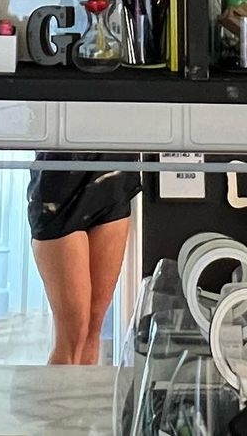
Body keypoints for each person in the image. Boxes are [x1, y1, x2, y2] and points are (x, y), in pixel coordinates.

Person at [29, 154, 141, 365]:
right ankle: (59, 389)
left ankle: (83, 389)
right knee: (74, 332)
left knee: (93, 325)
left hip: (113, 172)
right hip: (60, 179)